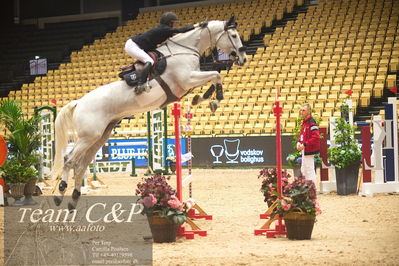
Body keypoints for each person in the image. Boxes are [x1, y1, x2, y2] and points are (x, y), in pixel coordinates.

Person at [124, 12, 207, 90]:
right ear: (169, 23)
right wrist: (198, 25)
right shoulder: (164, 29)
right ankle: (140, 84)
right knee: (149, 61)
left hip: (139, 45)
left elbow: (178, 35)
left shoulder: (165, 30)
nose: (175, 24)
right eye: (174, 22)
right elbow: (180, 30)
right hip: (133, 45)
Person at [296, 103, 320, 185]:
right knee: (304, 169)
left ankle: (312, 188)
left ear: (309, 111)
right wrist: (299, 142)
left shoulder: (312, 122)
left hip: (309, 149)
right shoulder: (304, 122)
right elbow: (302, 134)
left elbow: (316, 137)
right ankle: (306, 187)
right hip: (304, 149)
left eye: (303, 110)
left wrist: (305, 144)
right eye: (301, 110)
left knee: (309, 169)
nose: (301, 112)